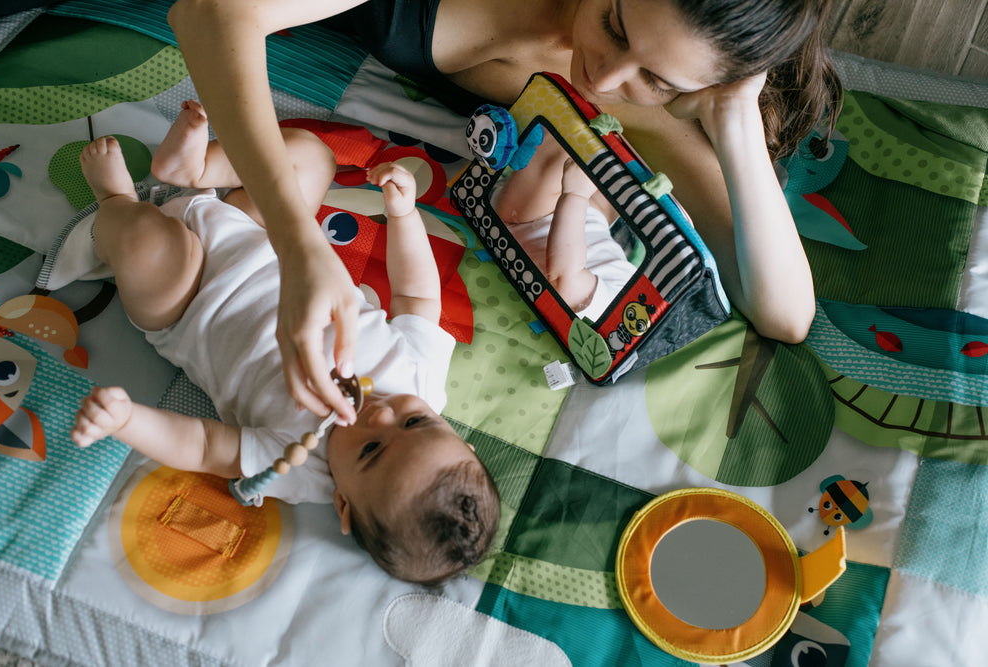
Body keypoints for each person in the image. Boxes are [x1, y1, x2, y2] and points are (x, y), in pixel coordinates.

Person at [166, 0, 842, 420]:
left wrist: (734, 119)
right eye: (614, 23)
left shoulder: (653, 108)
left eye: (657, 79)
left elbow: (784, 313)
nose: (606, 79)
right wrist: (298, 245)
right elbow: (212, 13)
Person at [67, 102, 500, 585]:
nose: (380, 413)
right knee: (311, 158)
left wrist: (129, 421)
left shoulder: (299, 466)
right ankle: (197, 168)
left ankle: (115, 200)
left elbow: (204, 445)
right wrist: (402, 216)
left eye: (371, 449)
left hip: (185, 296)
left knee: (144, 242)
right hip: (264, 233)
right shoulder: (422, 374)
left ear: (342, 503)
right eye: (415, 421)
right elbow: (416, 294)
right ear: (453, 431)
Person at [494, 141, 634, 322]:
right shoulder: (641, 304)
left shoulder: (616, 318)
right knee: (624, 177)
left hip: (529, 223)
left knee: (567, 146)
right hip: (591, 221)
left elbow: (564, 279)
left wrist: (576, 194)